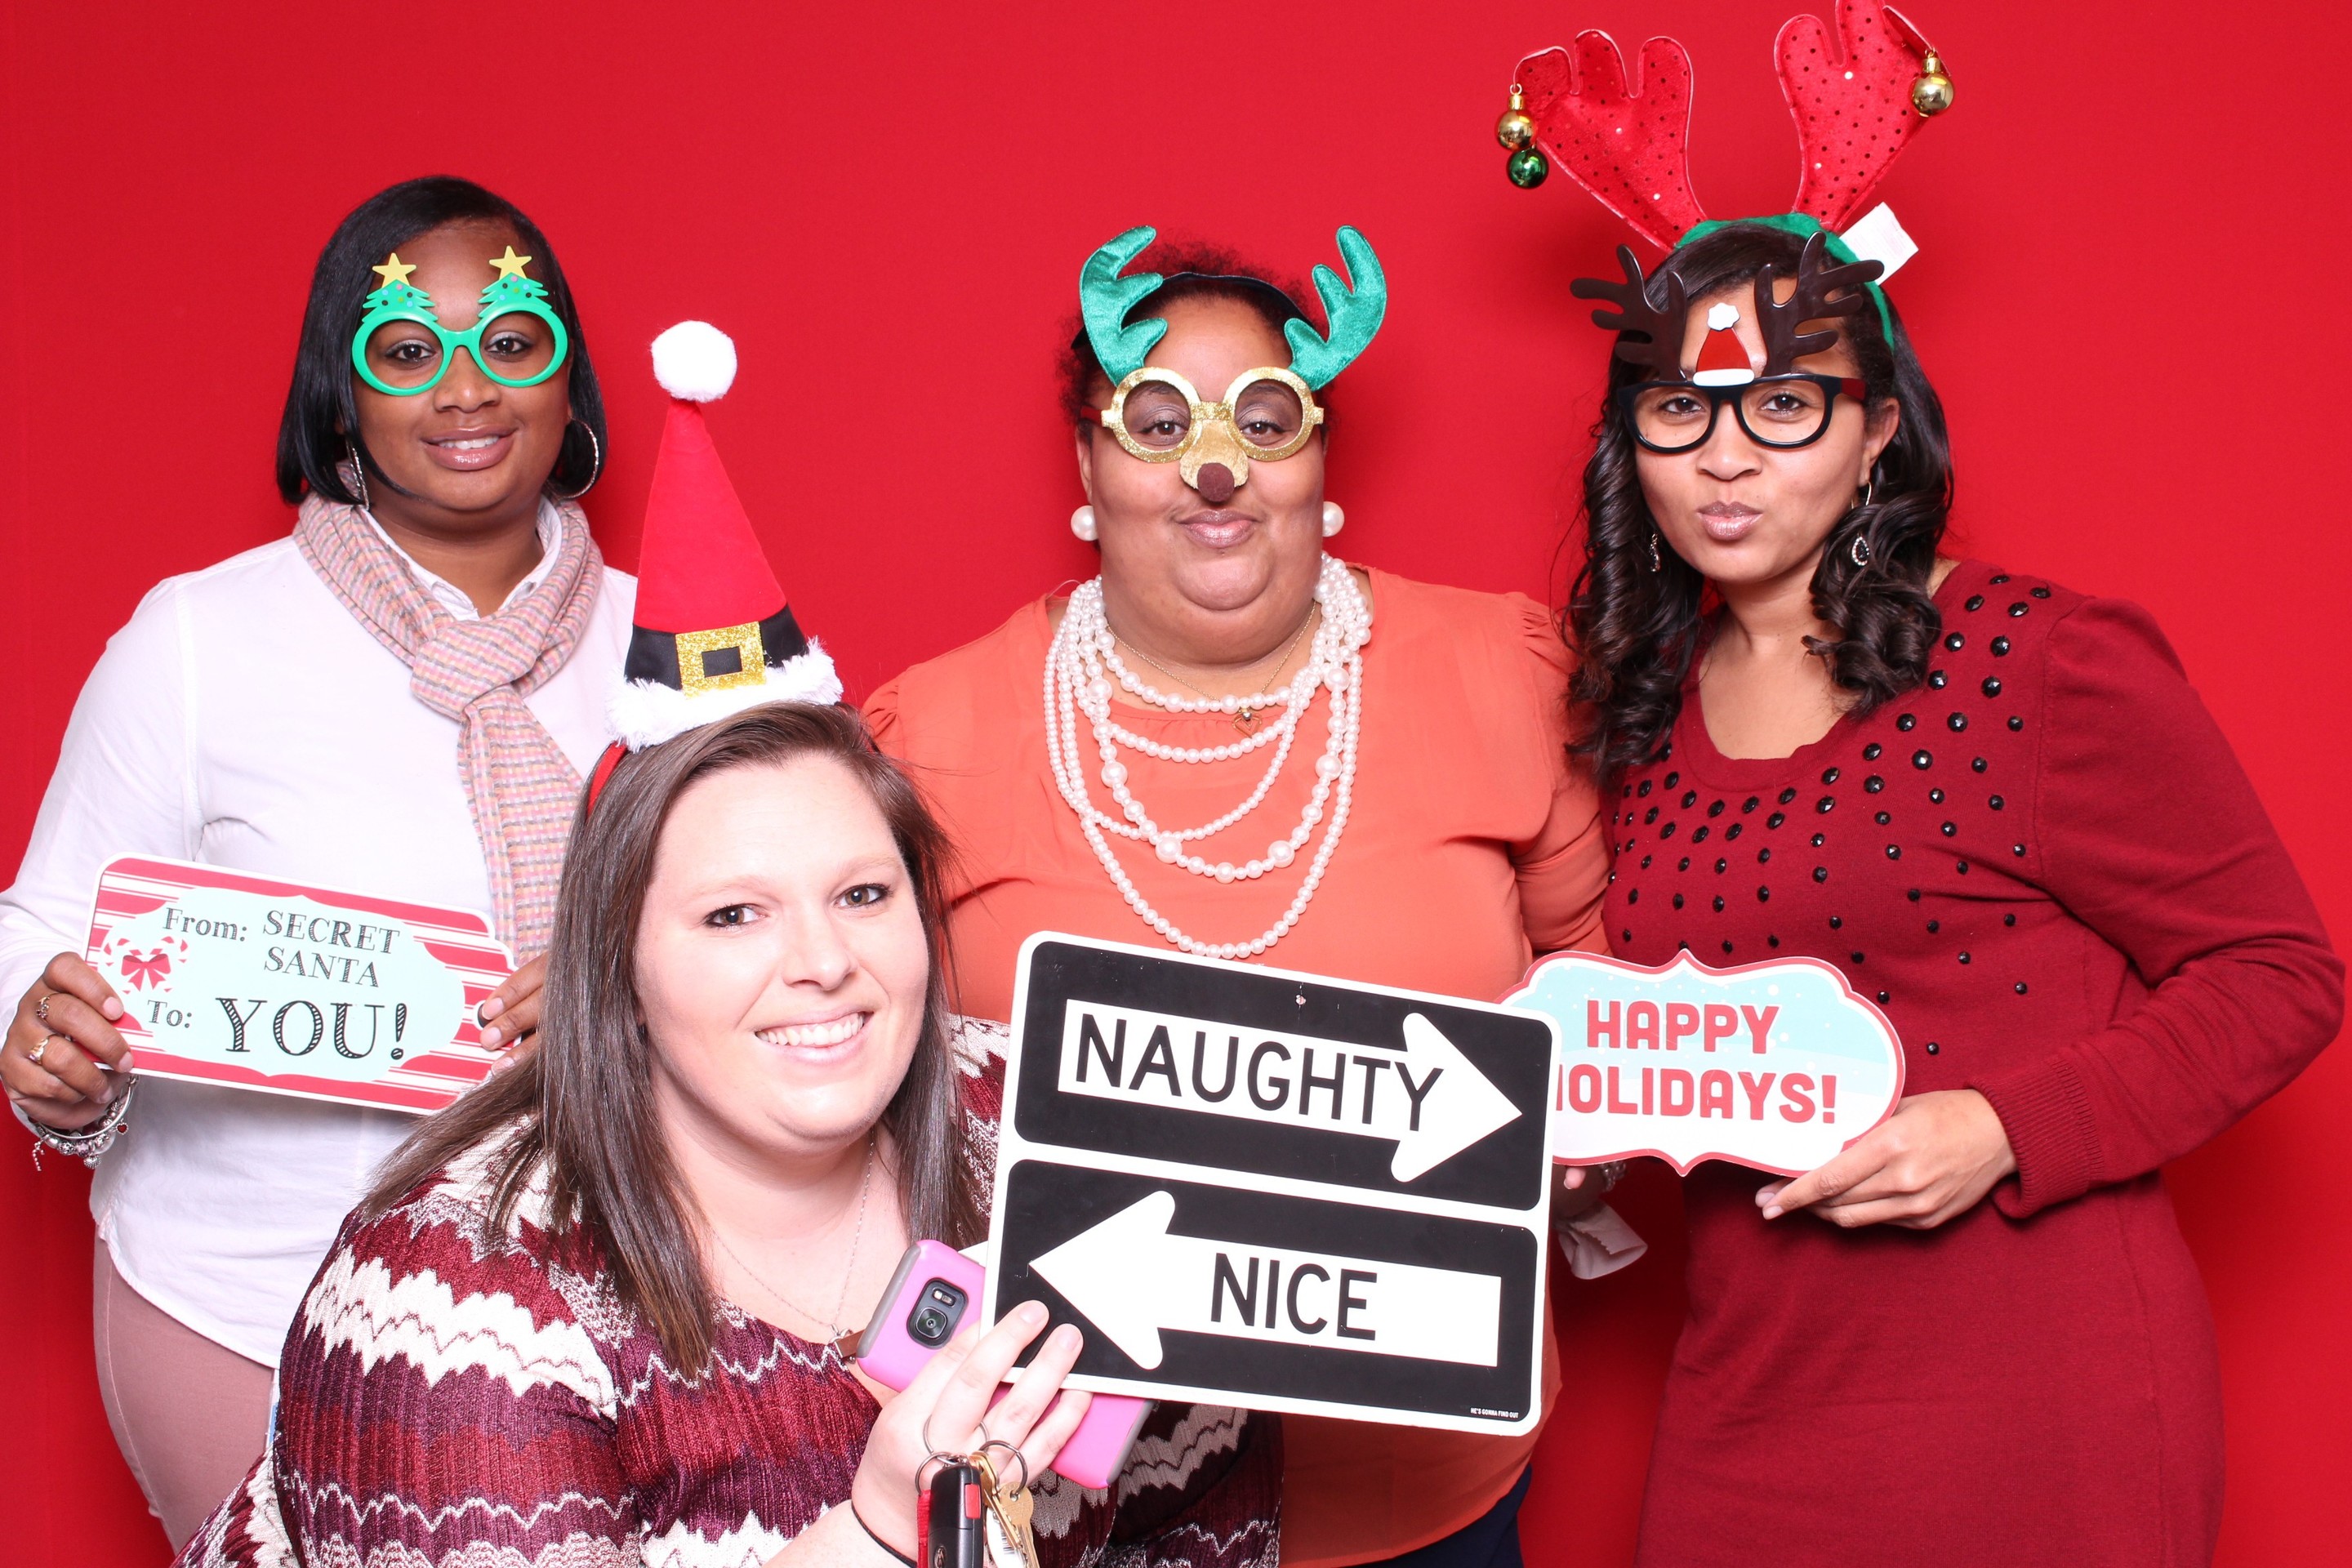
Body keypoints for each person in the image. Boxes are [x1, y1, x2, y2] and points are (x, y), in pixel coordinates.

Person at [179, 325, 1280, 1566]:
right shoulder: (450, 1304)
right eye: (733, 914)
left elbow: (1204, 1516)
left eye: (862, 894)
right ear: (616, 967)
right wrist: (884, 1530)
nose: (823, 962)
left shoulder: (1060, 1138)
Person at [1509, 12, 2345, 1562]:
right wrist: (1585, 1133)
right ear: (1635, 441)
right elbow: (1699, 1043)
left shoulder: (2041, 660)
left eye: (1786, 407)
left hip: (2041, 1397)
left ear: (1877, 429)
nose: (1727, 460)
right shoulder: (1644, 707)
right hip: (1754, 1393)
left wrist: (2008, 1129)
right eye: (1681, 412)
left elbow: (2280, 974)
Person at [864, 226, 1636, 1568]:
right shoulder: (932, 735)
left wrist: (1590, 1143)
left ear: (1318, 457)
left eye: (1264, 421)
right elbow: (832, 1044)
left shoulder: (1497, 672)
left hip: (1426, 1487)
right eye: (1158, 424)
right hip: (1077, 1491)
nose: (1213, 467)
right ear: (1089, 468)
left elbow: (1594, 982)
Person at [0, 175, 627, 1544]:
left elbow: (793, 951)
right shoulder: (199, 640)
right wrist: (40, 1034)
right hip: (244, 1301)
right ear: (341, 400)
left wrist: (620, 1002)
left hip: (611, 1312)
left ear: (567, 376)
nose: (466, 387)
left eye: (511, 340)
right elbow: (39, 925)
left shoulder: (682, 655)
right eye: (405, 351)